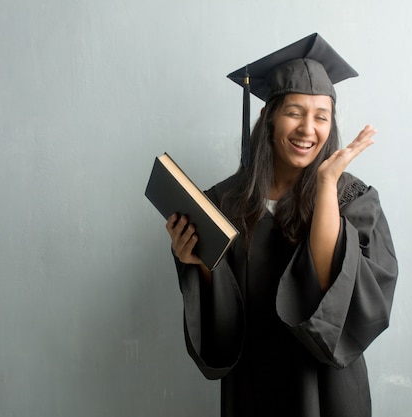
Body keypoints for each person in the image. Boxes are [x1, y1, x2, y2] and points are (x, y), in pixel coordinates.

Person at [164, 33, 398, 417]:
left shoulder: (353, 201)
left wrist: (325, 184)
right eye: (294, 112)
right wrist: (196, 261)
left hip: (326, 391)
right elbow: (221, 316)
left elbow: (330, 294)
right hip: (252, 385)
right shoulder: (224, 202)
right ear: (268, 117)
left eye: (321, 116)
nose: (308, 128)